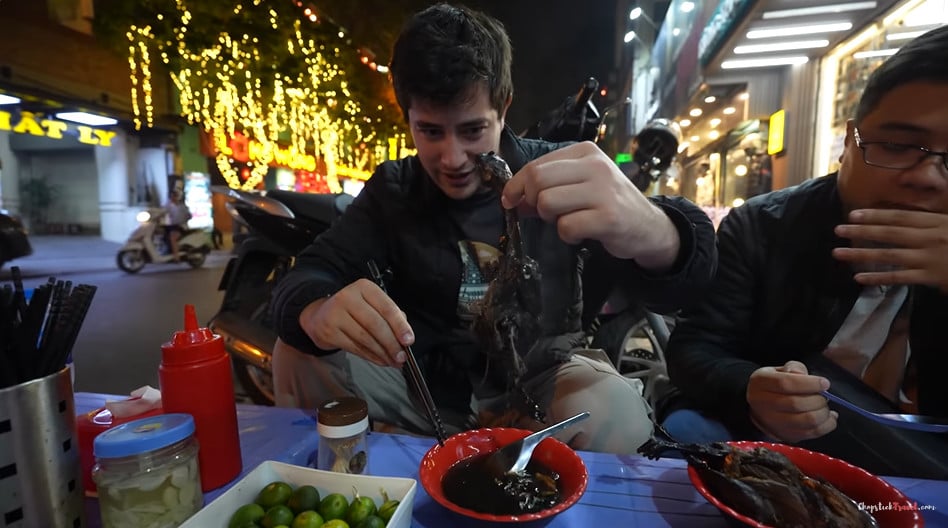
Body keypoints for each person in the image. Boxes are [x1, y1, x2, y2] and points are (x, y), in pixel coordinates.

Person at [270, 3, 717, 454]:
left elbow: (689, 278)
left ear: (503, 107)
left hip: (544, 379)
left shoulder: (560, 169)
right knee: (297, 350)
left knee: (617, 413)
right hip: (424, 383)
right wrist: (317, 312)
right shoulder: (395, 188)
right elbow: (308, 274)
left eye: (472, 130)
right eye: (430, 132)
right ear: (407, 116)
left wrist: (658, 231)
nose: (452, 158)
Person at [662, 25, 948, 476]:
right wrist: (752, 387)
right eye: (895, 145)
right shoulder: (763, 225)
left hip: (914, 456)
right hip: (768, 443)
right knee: (684, 433)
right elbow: (696, 348)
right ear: (848, 142)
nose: (928, 177)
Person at [163, 189, 191, 261]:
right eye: (171, 197)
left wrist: (183, 219)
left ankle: (176, 256)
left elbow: (189, 216)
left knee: (173, 237)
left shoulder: (182, 206)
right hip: (171, 226)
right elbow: (161, 211)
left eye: (174, 196)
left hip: (180, 226)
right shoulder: (168, 205)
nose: (173, 198)